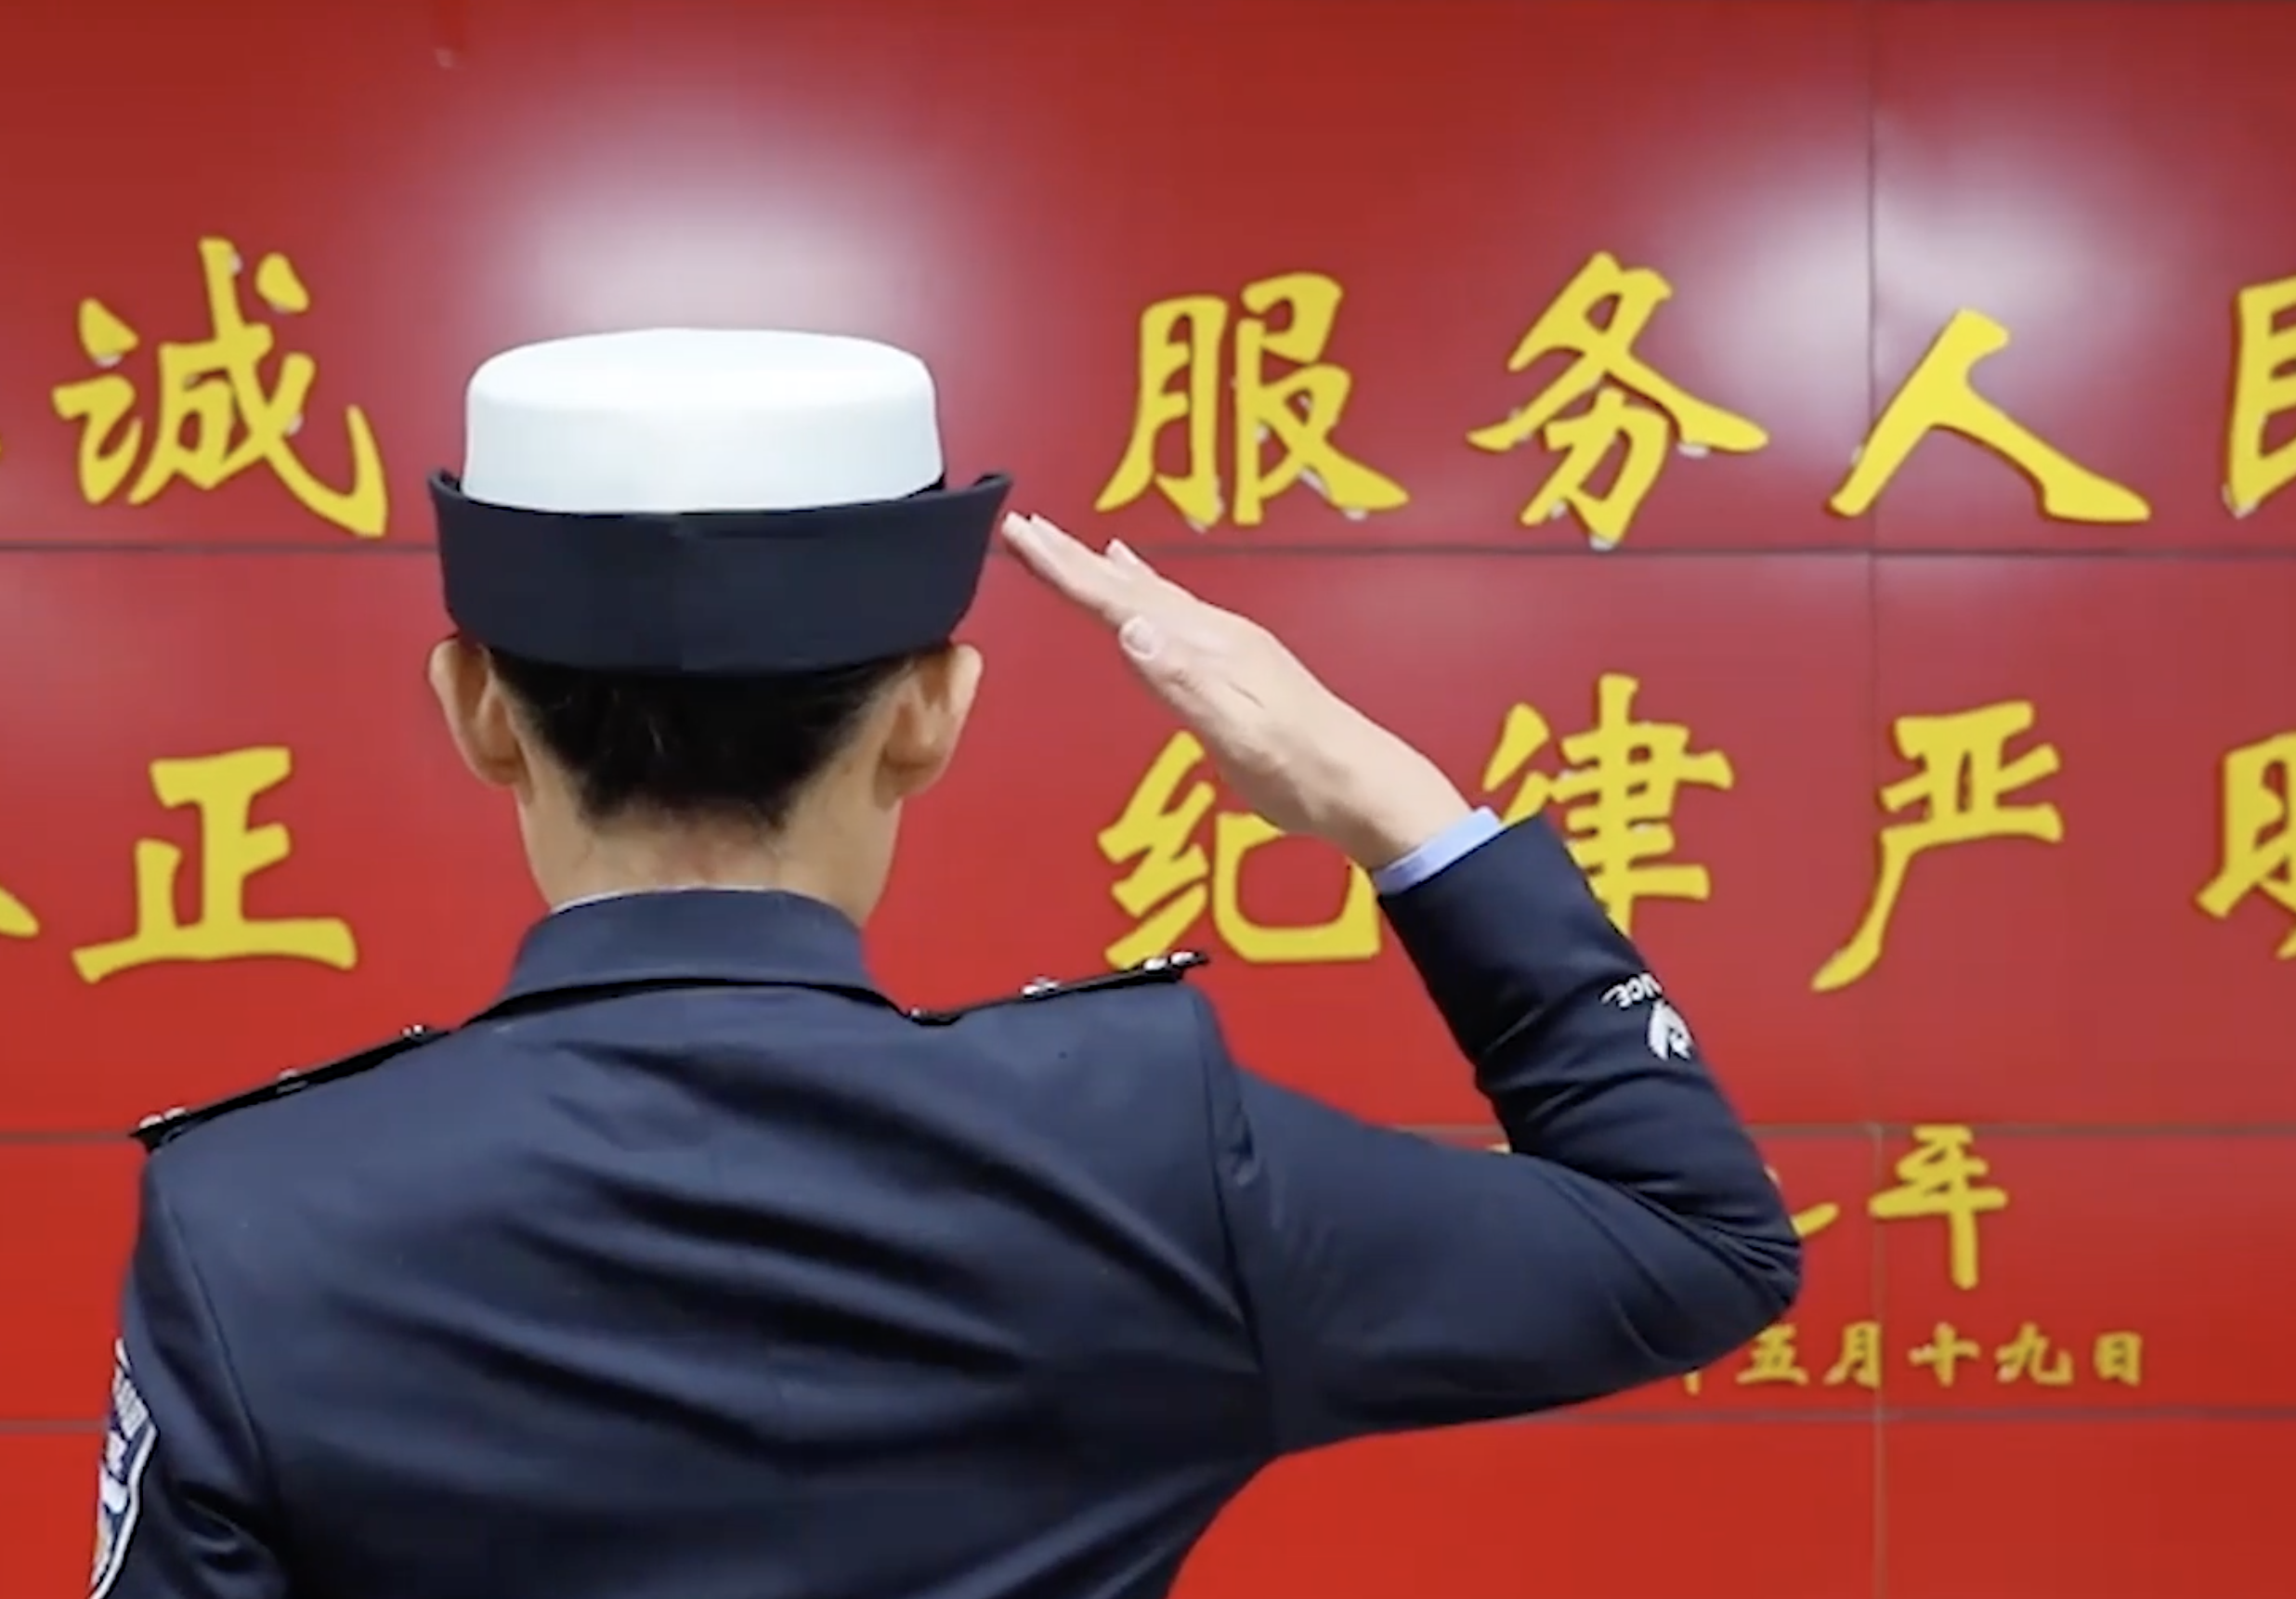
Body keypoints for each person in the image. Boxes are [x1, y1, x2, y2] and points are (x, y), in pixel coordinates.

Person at [88, 328, 1802, 1599]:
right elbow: (1697, 1237)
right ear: (928, 711)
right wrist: (1389, 803)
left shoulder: (254, 1213)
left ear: (476, 709)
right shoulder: (1141, 1151)